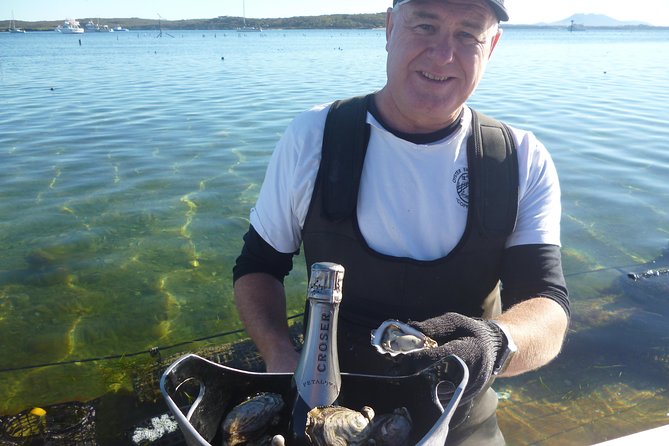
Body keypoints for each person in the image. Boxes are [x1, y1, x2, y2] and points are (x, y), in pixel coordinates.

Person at [233, 0, 570, 444]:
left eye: (468, 34)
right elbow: (258, 266)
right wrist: (279, 355)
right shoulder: (314, 137)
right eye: (425, 25)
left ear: (493, 46)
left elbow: (548, 305)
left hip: (462, 419)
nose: (443, 55)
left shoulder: (519, 159)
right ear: (390, 27)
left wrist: (496, 343)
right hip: (324, 414)